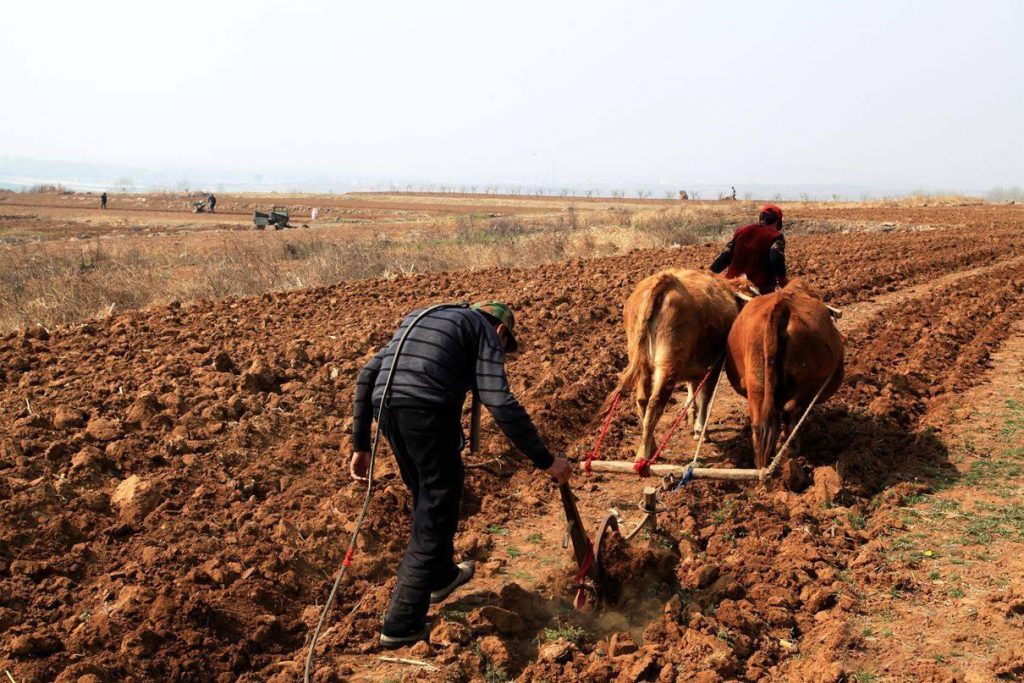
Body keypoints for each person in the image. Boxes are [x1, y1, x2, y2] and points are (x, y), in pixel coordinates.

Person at [351, 302, 570, 649]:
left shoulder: (423, 316)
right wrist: (545, 460)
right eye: (504, 349)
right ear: (501, 331)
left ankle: (441, 577)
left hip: (387, 408)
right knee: (436, 512)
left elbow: (367, 375)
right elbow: (499, 400)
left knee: (427, 495)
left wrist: (361, 444)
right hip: (426, 410)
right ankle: (401, 623)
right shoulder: (484, 331)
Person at [710, 204, 788, 294]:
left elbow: (725, 255)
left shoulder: (740, 231)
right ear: (776, 222)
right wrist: (783, 281)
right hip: (758, 290)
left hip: (731, 286)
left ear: (761, 218)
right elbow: (776, 258)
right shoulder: (776, 236)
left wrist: (710, 274)